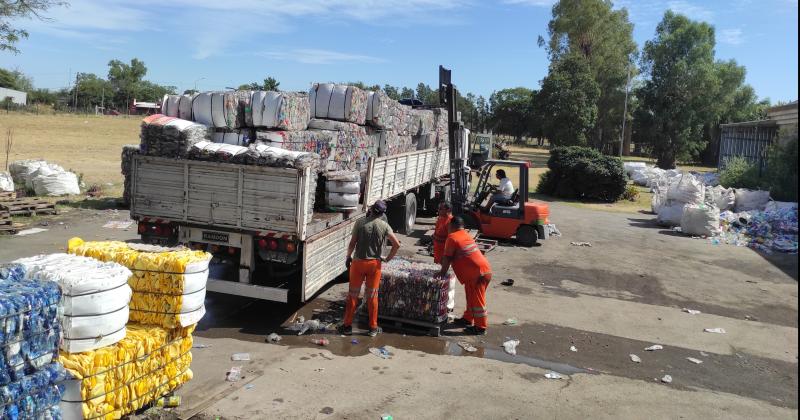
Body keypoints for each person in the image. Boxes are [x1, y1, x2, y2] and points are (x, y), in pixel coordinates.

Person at [340, 200, 401, 337]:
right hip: (374, 265)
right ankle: (373, 328)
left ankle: (347, 326)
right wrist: (387, 258)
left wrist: (348, 257)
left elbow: (352, 243)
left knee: (353, 295)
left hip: (358, 264)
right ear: (382, 213)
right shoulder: (384, 226)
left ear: (372, 209)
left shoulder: (360, 223)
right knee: (372, 296)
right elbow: (396, 244)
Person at [438, 216, 493, 335]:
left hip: (478, 274)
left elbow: (447, 258)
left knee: (478, 301)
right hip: (479, 272)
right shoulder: (465, 235)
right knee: (470, 296)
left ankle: (480, 327)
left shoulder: (452, 237)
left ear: (451, 226)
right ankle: (468, 318)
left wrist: (441, 274)